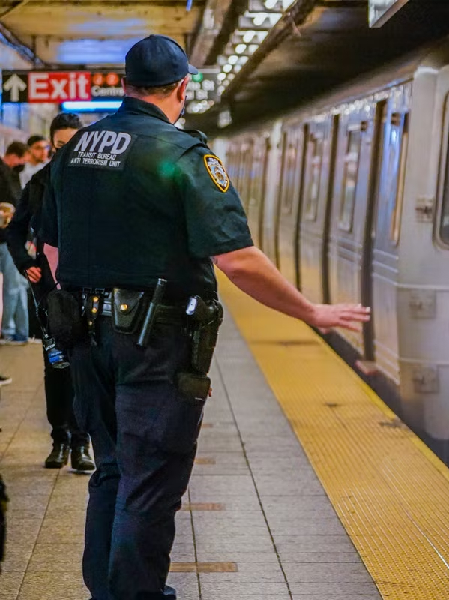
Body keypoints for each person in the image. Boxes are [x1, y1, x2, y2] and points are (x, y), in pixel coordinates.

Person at [40, 34, 370, 600]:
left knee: (112, 472)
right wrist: (309, 311)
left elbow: (51, 251)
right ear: (183, 88)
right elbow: (237, 260)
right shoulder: (182, 155)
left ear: (125, 84)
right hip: (154, 343)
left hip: (85, 336)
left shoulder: (76, 150)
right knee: (148, 484)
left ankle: (108, 591)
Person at [6, 113, 95, 472]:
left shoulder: (97, 183)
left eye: (72, 146)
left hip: (88, 288)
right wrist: (25, 261)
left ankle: (82, 442)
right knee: (56, 365)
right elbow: (15, 231)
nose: (65, 153)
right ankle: (60, 439)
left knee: (85, 367)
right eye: (59, 147)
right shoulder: (39, 183)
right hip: (50, 292)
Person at [0, 141, 30, 345]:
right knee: (13, 286)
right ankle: (9, 330)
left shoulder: (12, 174)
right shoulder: (3, 174)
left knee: (19, 286)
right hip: (5, 238)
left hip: (14, 238)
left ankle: (21, 331)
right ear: (15, 156)